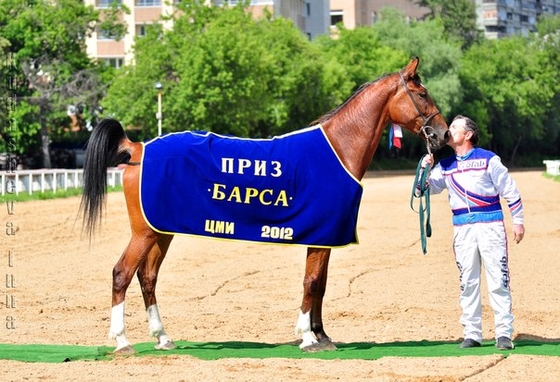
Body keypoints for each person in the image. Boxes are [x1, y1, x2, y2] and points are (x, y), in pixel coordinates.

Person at [421, 115, 525, 350]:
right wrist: (424, 170)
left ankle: (503, 333)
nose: (450, 129)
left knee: (498, 278)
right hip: (462, 229)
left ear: (468, 134)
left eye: (455, 127)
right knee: (467, 281)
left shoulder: (489, 159)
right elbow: (423, 191)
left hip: (491, 226)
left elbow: (510, 191)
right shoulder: (444, 165)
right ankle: (472, 333)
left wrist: (517, 221)